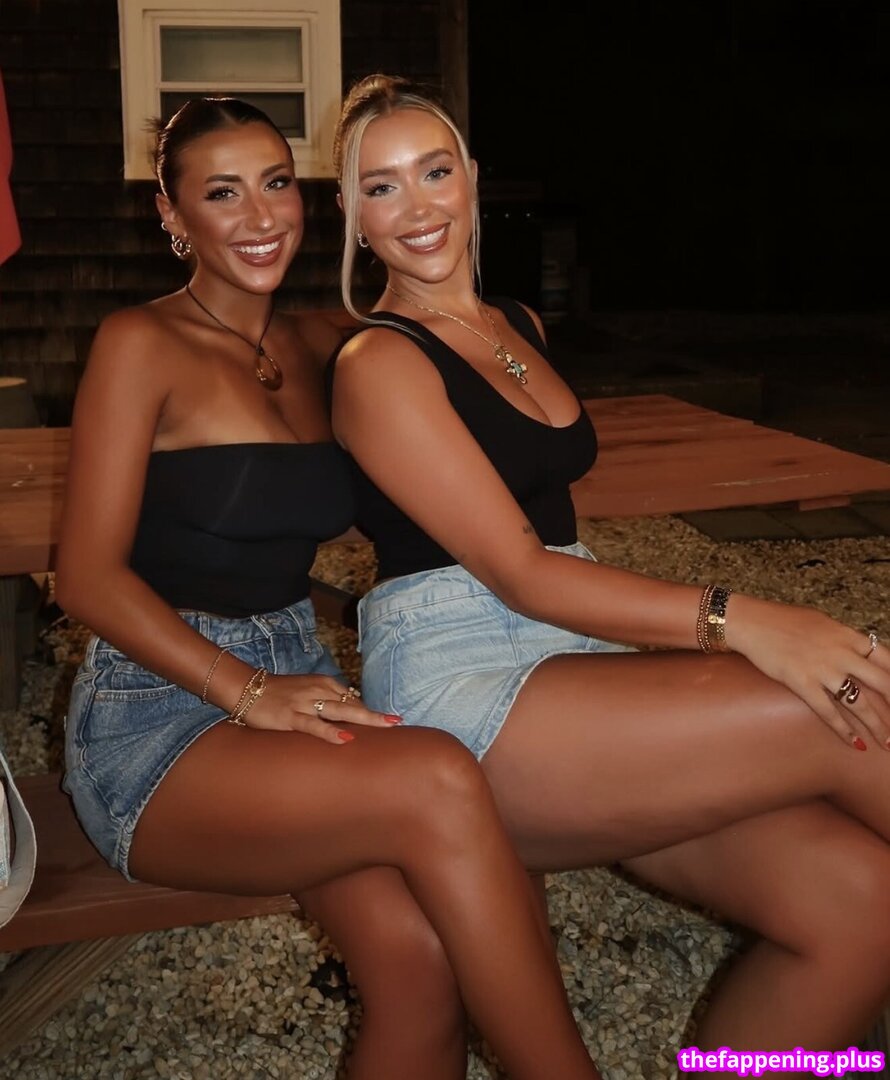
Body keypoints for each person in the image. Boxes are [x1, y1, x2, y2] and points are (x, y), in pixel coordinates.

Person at [326, 73, 890, 1069]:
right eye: (381, 187)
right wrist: (745, 619)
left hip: (573, 666)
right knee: (846, 697)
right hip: (465, 692)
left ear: (471, 179)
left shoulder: (515, 325)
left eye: (434, 171)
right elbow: (519, 573)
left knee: (860, 902)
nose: (416, 206)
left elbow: (555, 559)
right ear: (352, 214)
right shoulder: (378, 363)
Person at [54, 96, 604, 1080]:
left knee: (422, 964)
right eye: (223, 193)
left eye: (277, 184)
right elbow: (88, 578)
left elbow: (444, 400)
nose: (260, 216)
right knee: (440, 775)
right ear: (172, 214)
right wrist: (247, 689)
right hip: (157, 716)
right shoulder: (140, 343)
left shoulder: (323, 345)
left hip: (299, 686)